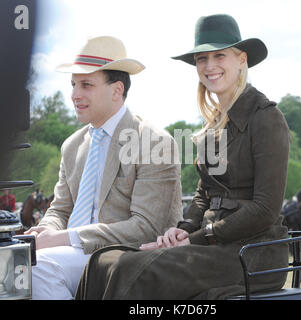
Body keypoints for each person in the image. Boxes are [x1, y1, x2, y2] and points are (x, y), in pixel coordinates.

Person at [75, 14, 291, 300]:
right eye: (202, 58)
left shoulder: (266, 118)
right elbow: (203, 195)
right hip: (212, 245)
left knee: (132, 268)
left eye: (219, 56)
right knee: (103, 261)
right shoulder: (212, 126)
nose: (209, 66)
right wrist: (183, 229)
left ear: (241, 60)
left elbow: (265, 208)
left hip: (252, 254)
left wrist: (196, 238)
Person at [24, 36, 183, 299]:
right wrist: (45, 230)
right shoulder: (72, 145)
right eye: (73, 84)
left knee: (35, 268)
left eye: (86, 85)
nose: (75, 95)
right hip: (73, 254)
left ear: (116, 90)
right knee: (12, 264)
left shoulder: (154, 142)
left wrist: (64, 238)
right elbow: (60, 209)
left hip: (124, 257)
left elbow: (147, 228)